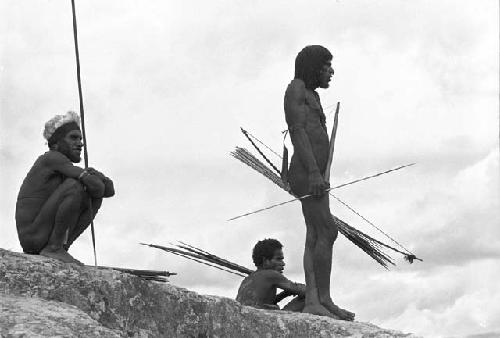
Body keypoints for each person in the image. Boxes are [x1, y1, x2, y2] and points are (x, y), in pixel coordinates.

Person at [284, 45, 355, 320]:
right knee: (327, 231)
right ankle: (320, 298)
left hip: (315, 173)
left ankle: (316, 298)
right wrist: (314, 172)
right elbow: (297, 131)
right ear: (314, 66)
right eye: (326, 65)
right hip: (306, 172)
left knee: (315, 232)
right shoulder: (296, 89)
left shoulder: (310, 93)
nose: (331, 71)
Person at [15, 111, 114, 264]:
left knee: (91, 197)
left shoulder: (66, 169)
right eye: (73, 137)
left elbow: (107, 192)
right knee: (75, 186)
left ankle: (60, 246)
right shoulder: (51, 158)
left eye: (80, 139)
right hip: (33, 237)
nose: (80, 143)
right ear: (56, 144)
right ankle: (54, 247)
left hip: (42, 234)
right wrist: (93, 179)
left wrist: (96, 175)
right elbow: (98, 187)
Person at [236, 238, 306, 312]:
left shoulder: (247, 280)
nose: (283, 263)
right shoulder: (271, 274)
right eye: (278, 259)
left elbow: (262, 303)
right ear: (265, 261)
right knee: (310, 297)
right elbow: (303, 291)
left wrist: (285, 294)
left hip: (245, 318)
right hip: (260, 319)